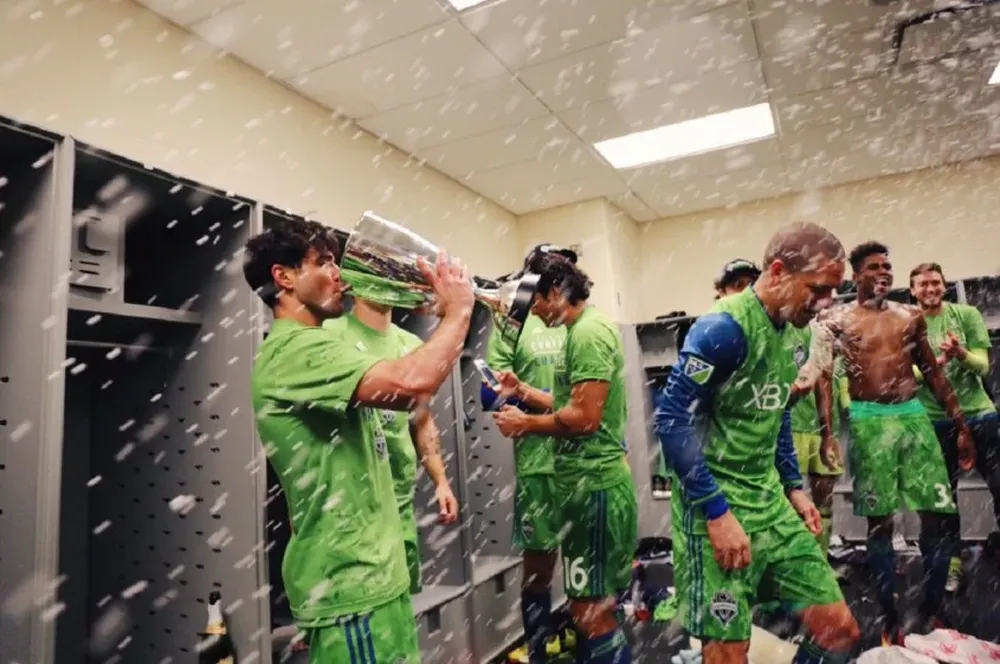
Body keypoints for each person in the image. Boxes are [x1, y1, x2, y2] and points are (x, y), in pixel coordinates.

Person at [245, 217, 474, 663]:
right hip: (349, 582)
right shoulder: (295, 351)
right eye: (324, 262)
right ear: (284, 277)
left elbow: (416, 400)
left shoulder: (323, 346)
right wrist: (459, 310)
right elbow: (412, 382)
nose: (338, 274)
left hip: (377, 575)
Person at [655, 221, 859, 664]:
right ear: (780, 271)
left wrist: (794, 486)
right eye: (819, 289)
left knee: (838, 631)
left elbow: (778, 409)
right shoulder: (722, 331)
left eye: (834, 291)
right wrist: (716, 511)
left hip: (768, 501)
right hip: (714, 503)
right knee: (728, 651)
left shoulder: (800, 333)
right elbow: (671, 420)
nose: (827, 303)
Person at [812, 242, 974, 644]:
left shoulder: (909, 316)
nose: (884, 272)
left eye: (888, 265)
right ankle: (890, 617)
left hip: (913, 416)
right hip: (868, 420)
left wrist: (962, 424)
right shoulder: (838, 320)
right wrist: (827, 433)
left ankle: (932, 609)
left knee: (937, 515)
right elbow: (824, 380)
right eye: (874, 267)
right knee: (880, 524)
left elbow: (934, 374)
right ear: (856, 275)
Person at [492, 255, 638, 664]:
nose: (535, 312)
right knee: (590, 607)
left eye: (537, 302)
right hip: (586, 485)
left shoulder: (587, 334)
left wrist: (526, 424)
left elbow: (585, 419)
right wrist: (523, 388)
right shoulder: (586, 327)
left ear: (555, 292)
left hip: (594, 487)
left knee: (588, 612)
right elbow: (576, 403)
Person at [322, 289, 460, 597]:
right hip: (350, 507)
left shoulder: (410, 345)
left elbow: (422, 420)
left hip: (398, 498)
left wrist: (441, 481)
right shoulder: (331, 334)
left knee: (399, 604)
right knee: (364, 607)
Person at [481, 244, 576, 664]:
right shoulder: (514, 318)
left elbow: (597, 405)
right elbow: (492, 391)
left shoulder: (580, 320)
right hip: (539, 464)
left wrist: (540, 402)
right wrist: (508, 395)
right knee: (539, 567)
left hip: (584, 461)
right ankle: (541, 644)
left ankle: (580, 632)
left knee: (588, 557)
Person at [909, 262, 1000, 591]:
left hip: (979, 414)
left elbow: (982, 366)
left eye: (935, 283)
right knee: (944, 498)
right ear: (913, 291)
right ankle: (952, 566)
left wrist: (960, 352)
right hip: (934, 419)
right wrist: (936, 365)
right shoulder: (908, 324)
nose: (930, 289)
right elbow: (909, 377)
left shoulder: (967, 315)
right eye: (923, 284)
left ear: (944, 286)